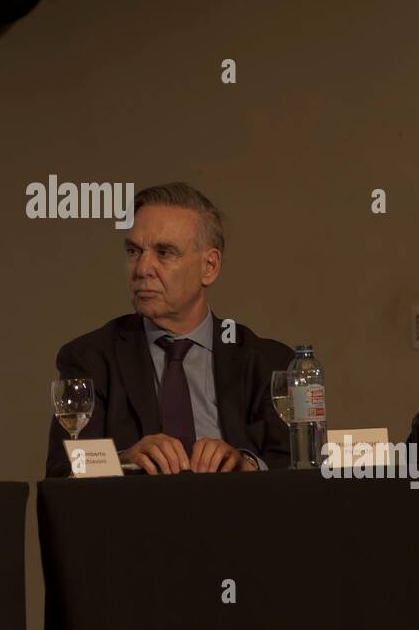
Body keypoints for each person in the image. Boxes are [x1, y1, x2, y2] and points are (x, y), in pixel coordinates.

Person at [47, 183, 291, 477]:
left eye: (164, 252)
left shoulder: (268, 362)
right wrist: (122, 461)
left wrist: (247, 466)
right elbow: (62, 472)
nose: (142, 268)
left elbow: (302, 464)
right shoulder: (90, 358)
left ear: (209, 266)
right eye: (134, 251)